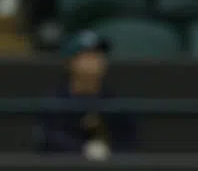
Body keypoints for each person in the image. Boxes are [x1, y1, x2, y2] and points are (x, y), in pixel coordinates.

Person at [37, 30, 136, 160]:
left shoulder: (115, 103)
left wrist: (108, 154)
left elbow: (130, 142)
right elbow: (50, 140)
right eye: (87, 55)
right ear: (69, 62)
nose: (94, 61)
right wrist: (84, 151)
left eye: (98, 55)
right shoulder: (54, 101)